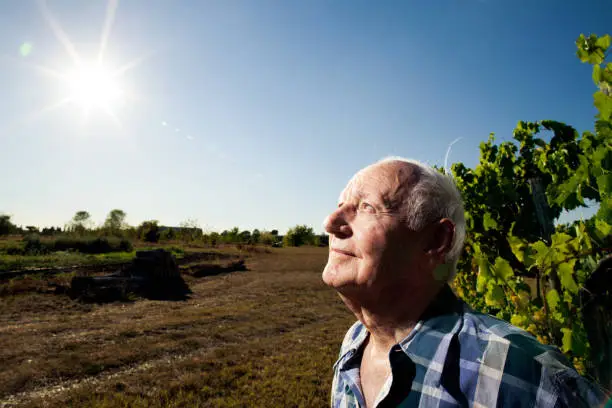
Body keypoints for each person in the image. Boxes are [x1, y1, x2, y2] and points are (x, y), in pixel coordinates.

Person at [322, 157, 609, 408]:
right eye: (340, 205)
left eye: (367, 207)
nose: (330, 222)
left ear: (435, 241)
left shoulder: (525, 374)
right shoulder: (355, 341)